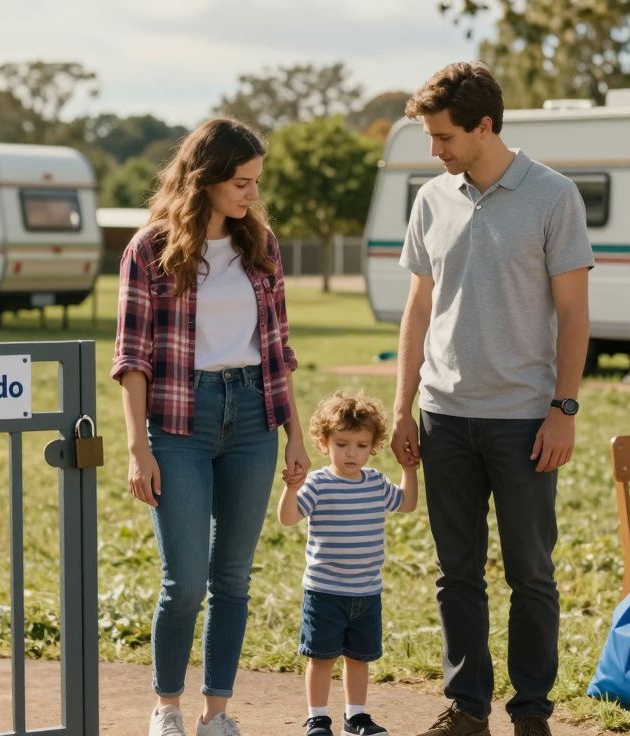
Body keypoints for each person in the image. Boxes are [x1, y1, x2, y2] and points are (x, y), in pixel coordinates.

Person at [389, 62, 593, 736]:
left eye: (444, 137)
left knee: (531, 572)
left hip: (524, 423)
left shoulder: (553, 196)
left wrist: (563, 409)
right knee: (457, 573)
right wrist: (402, 407)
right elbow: (417, 312)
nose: (435, 151)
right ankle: (468, 708)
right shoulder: (432, 199)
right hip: (443, 417)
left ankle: (531, 710)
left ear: (484, 125)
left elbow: (573, 313)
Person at [112, 117, 310, 736]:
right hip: (179, 422)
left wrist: (295, 434)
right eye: (242, 182)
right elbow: (131, 358)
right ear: (206, 179)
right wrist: (137, 448)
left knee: (232, 579)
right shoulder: (148, 249)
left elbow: (279, 348)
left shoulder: (262, 246)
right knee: (186, 581)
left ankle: (216, 713)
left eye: (256, 182)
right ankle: (166, 706)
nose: (253, 194)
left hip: (252, 415)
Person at [277, 390, 418, 736]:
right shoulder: (319, 483)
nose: (351, 453)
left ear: (373, 446)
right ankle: (318, 718)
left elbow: (407, 504)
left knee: (359, 659)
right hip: (324, 591)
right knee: (321, 658)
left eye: (360, 445)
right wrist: (291, 489)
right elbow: (288, 518)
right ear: (324, 444)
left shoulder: (376, 483)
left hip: (366, 592)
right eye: (341, 444)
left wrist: (408, 470)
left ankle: (355, 717)